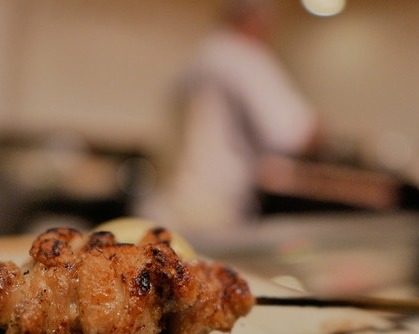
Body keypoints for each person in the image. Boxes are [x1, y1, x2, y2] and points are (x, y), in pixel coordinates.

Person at [136, 0, 319, 243]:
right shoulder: (242, 56)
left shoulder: (199, 55)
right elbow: (292, 133)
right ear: (257, 19)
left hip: (167, 202)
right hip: (213, 210)